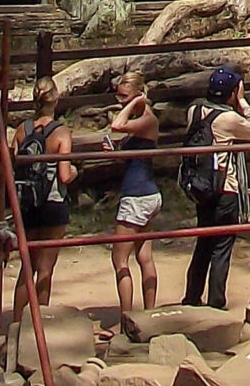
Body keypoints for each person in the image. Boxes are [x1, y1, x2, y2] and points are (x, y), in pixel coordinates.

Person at [179, 66, 250, 312]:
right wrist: (243, 102)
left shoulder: (194, 110)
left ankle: (192, 297)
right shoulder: (229, 119)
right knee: (221, 248)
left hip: (201, 188)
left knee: (203, 242)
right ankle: (216, 303)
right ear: (232, 92)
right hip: (225, 190)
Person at [7, 78, 74, 332]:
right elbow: (65, 175)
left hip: (26, 202)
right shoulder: (61, 132)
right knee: (45, 270)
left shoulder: (22, 130)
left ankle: (16, 326)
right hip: (52, 203)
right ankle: (38, 327)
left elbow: (13, 163)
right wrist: (76, 172)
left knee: (27, 268)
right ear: (55, 100)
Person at [105, 70, 161, 317]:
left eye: (123, 96)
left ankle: (127, 318)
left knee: (120, 260)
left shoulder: (147, 119)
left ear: (138, 95)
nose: (119, 102)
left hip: (137, 197)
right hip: (145, 194)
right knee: (144, 255)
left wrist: (135, 103)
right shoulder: (140, 122)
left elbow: (117, 125)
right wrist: (115, 152)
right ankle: (148, 314)